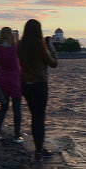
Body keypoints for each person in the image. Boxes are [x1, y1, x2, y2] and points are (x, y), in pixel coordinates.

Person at [17, 18, 58, 157]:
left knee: (34, 115)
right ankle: (39, 150)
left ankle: (38, 148)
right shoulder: (40, 46)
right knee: (39, 117)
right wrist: (52, 49)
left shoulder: (20, 46)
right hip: (39, 84)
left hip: (25, 85)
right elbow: (53, 64)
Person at [0, 26, 23, 142]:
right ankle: (17, 135)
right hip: (15, 80)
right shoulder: (16, 48)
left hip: (3, 79)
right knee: (17, 109)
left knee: (3, 108)